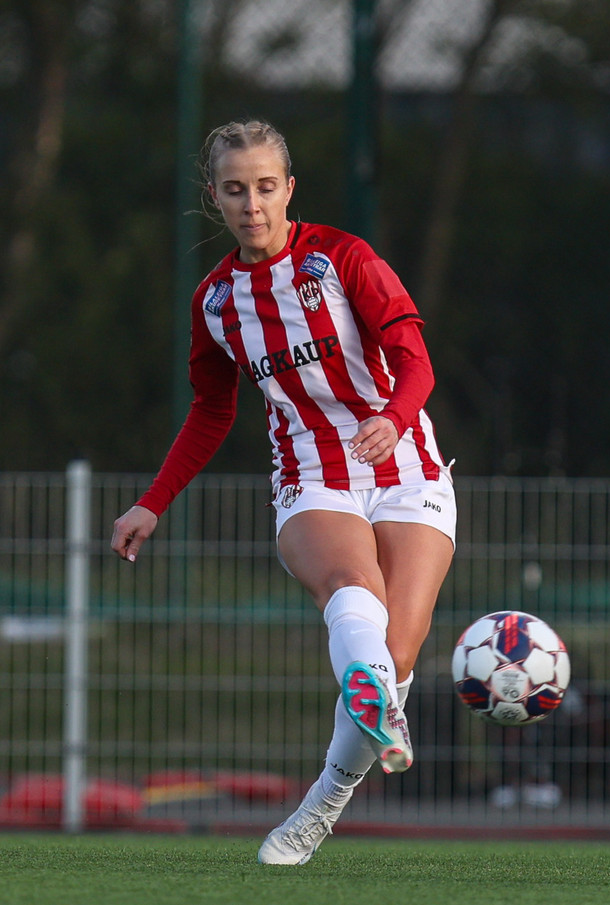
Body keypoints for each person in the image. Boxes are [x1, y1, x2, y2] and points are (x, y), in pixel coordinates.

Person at [111, 119, 456, 864]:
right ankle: (372, 702)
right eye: (235, 189)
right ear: (214, 197)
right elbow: (211, 410)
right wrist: (152, 500)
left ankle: (319, 805)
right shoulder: (216, 302)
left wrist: (393, 419)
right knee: (351, 588)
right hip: (311, 473)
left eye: (266, 187)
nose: (252, 204)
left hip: (406, 464)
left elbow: (415, 361)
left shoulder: (343, 258)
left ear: (289, 189)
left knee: (396, 651)